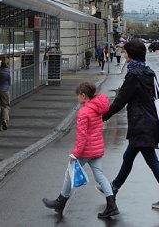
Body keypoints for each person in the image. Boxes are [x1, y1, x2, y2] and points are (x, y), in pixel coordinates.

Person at [101, 41, 159, 209]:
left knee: (150, 160)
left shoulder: (133, 75)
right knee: (129, 157)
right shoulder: (148, 72)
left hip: (141, 123)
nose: (124, 55)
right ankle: (113, 188)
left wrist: (103, 117)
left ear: (131, 54)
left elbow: (121, 100)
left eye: (125, 52)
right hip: (147, 122)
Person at [43, 82, 118, 219]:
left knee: (69, 173)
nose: (77, 98)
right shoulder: (97, 108)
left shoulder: (84, 112)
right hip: (97, 148)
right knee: (100, 176)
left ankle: (61, 201)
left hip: (86, 150)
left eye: (78, 95)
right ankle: (112, 204)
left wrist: (75, 153)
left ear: (84, 96)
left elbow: (82, 136)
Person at [0, 57, 12, 131]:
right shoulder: (8, 71)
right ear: (7, 63)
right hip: (5, 91)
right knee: (5, 107)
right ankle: (5, 120)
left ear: (1, 63)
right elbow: (10, 83)